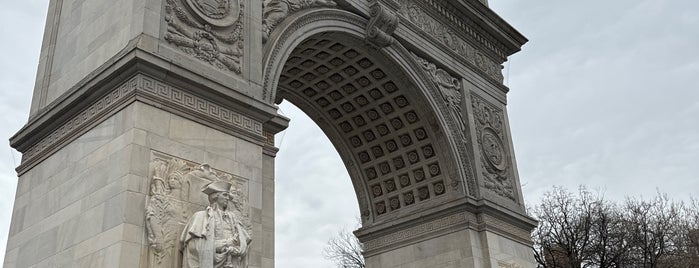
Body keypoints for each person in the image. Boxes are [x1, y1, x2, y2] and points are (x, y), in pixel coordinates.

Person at [180, 181, 252, 268]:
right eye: (225, 195)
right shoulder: (200, 217)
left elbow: (244, 242)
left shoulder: (234, 219)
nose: (228, 198)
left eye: (228, 196)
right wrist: (224, 244)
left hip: (232, 262)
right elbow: (193, 246)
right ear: (215, 196)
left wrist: (236, 249)